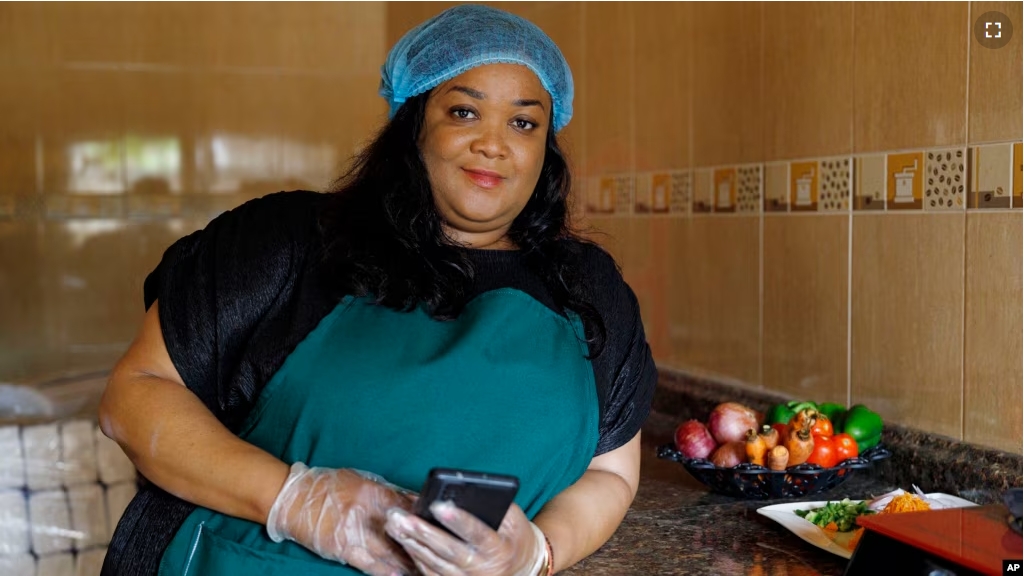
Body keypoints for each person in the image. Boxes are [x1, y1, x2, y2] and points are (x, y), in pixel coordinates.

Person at [98, 5, 657, 576]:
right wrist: (295, 501)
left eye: (523, 122)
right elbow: (135, 397)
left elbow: (609, 474)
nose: (493, 144)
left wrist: (536, 553)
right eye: (464, 111)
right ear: (412, 125)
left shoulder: (588, 288)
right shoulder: (289, 243)